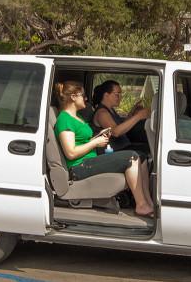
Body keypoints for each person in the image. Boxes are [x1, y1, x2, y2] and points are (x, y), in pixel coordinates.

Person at [54, 81, 155, 217]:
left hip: (89, 160)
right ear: (73, 97)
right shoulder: (64, 119)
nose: (86, 98)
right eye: (82, 95)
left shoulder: (77, 118)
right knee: (132, 157)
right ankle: (141, 205)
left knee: (140, 157)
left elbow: (80, 142)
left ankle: (149, 203)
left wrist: (96, 138)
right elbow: (71, 153)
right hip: (79, 167)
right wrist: (95, 142)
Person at [91, 80, 151, 158]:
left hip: (123, 146)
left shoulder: (110, 110)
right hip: (114, 151)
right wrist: (139, 116)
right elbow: (116, 132)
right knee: (148, 151)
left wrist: (132, 112)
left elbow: (121, 126)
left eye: (120, 94)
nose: (120, 97)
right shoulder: (102, 113)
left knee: (148, 147)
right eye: (117, 94)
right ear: (106, 95)